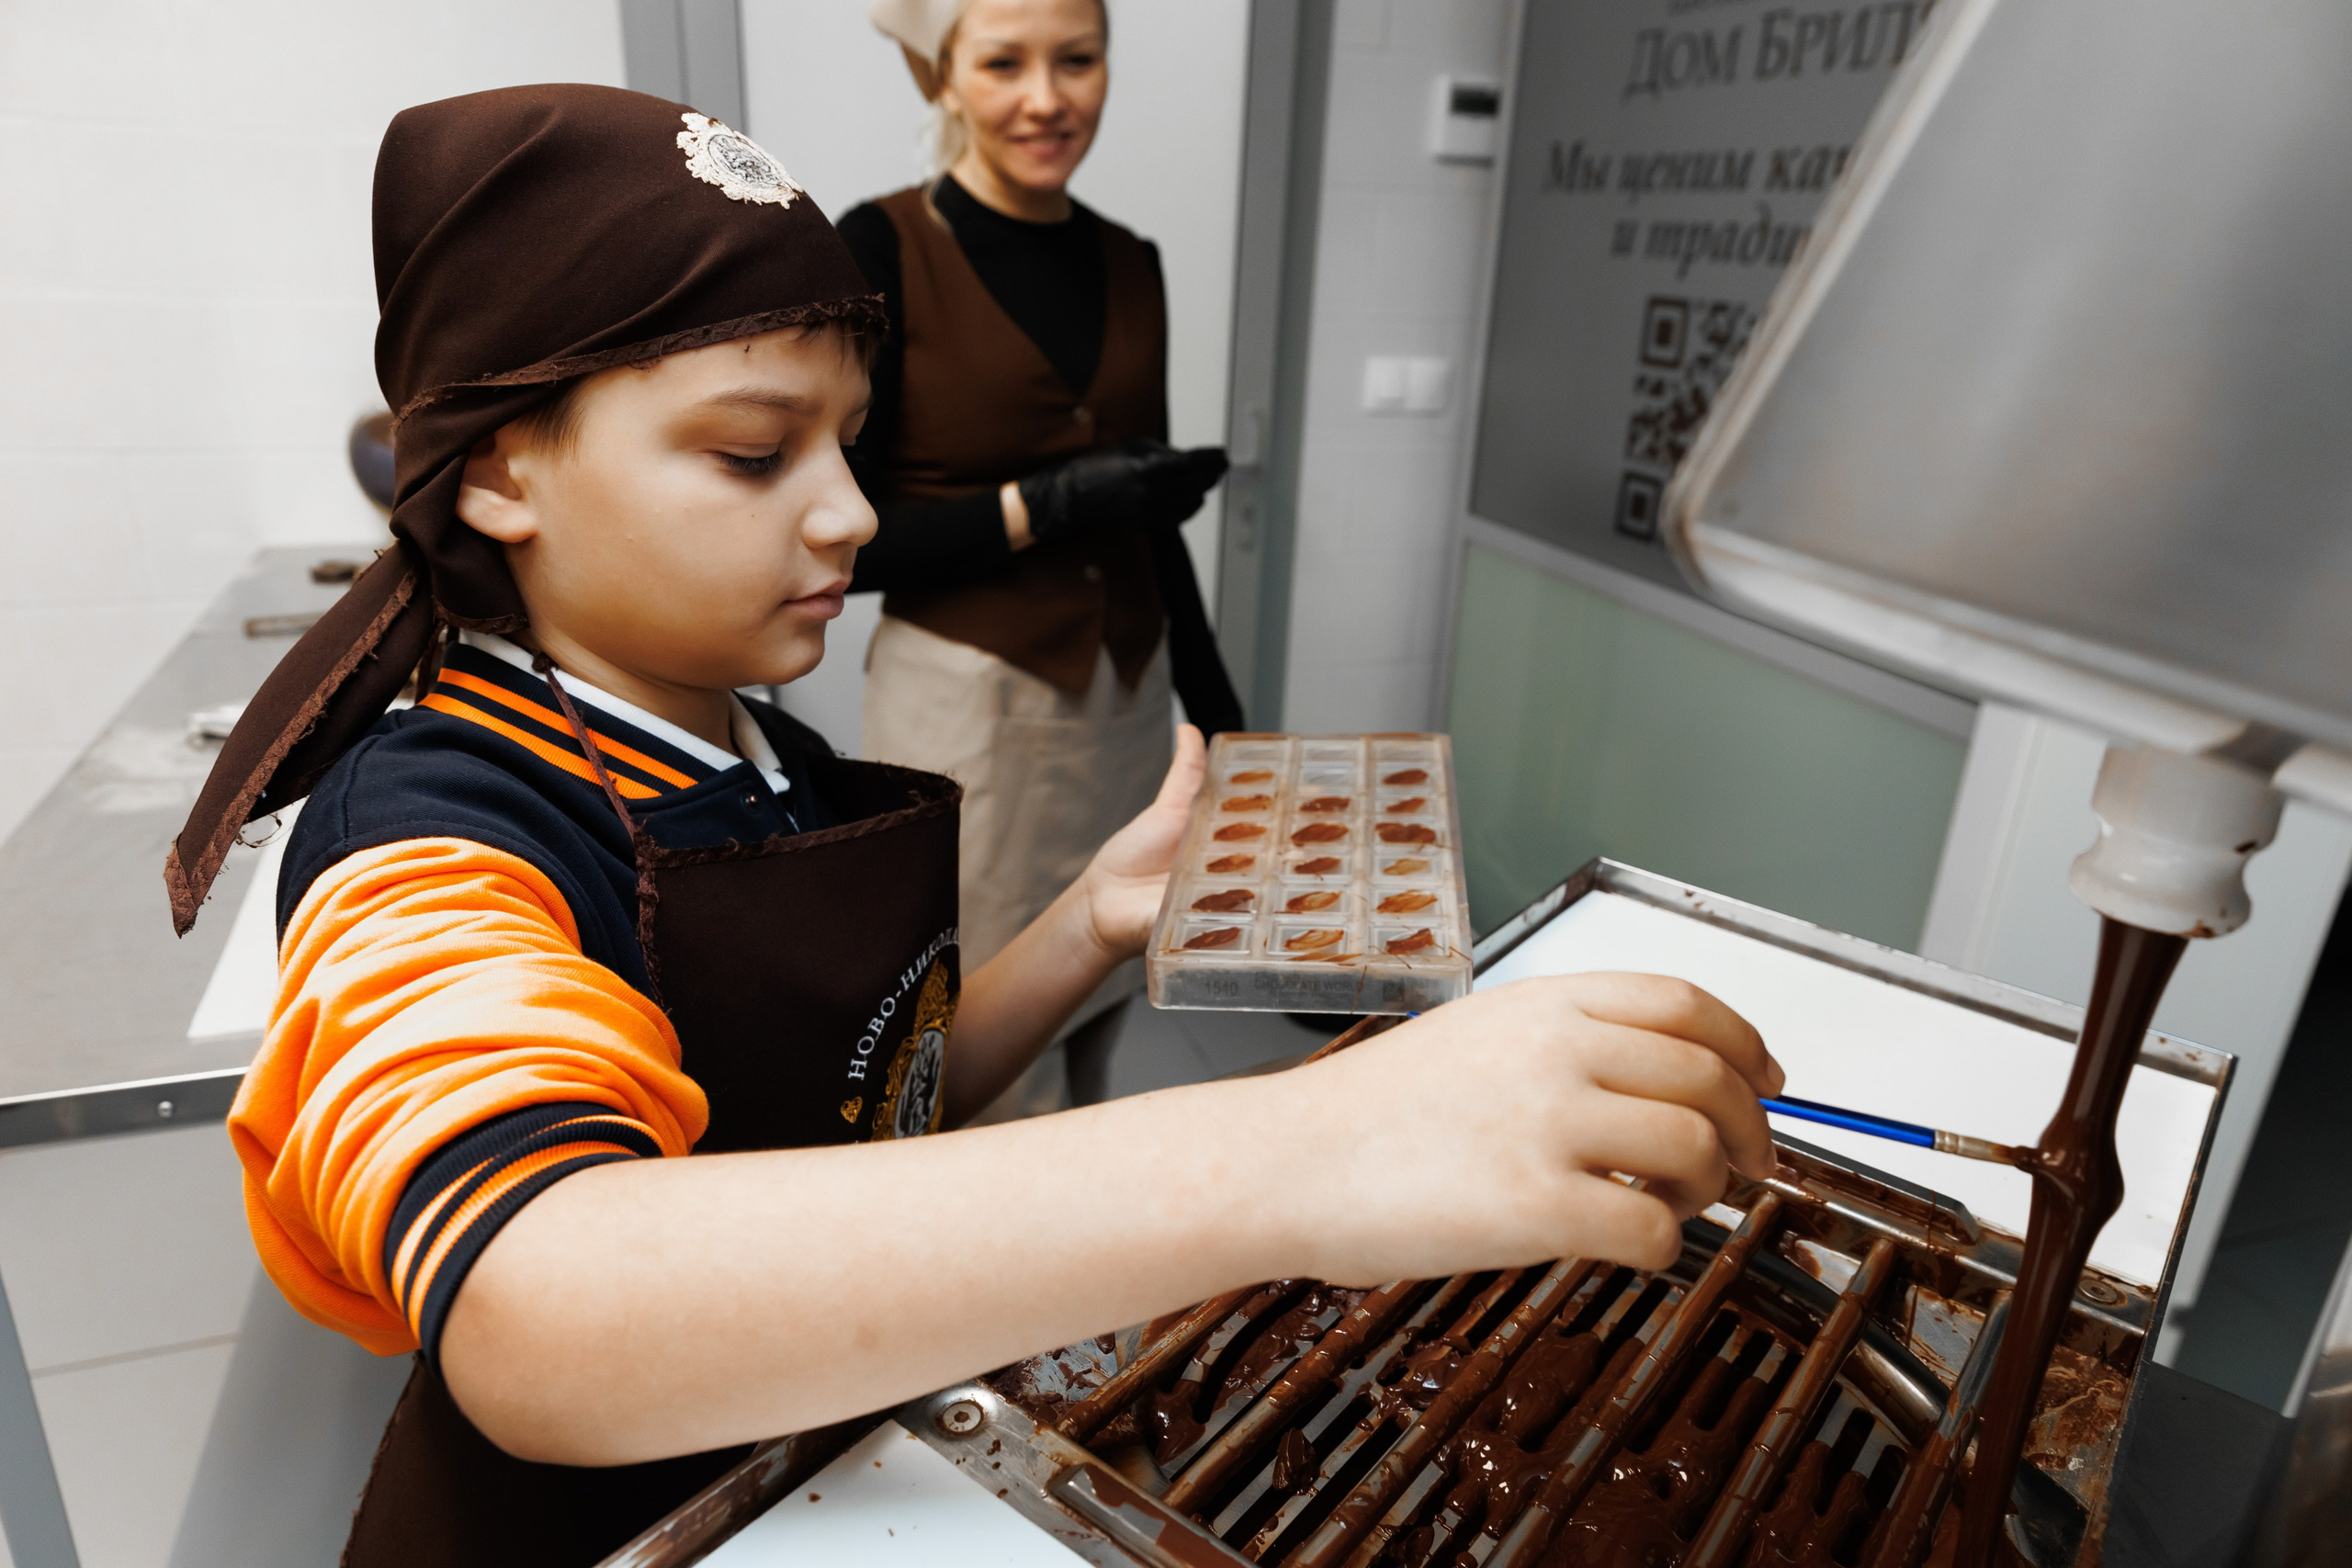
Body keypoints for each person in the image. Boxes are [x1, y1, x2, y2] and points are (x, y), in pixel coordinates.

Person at [165, 85, 1785, 1568]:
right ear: (501, 473)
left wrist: (1085, 922)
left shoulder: (756, 745)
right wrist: (1313, 1143)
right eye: (754, 451)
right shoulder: (434, 825)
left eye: (847, 442)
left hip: (834, 1470)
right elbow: (539, 1305)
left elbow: (878, 1112)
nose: (853, 512)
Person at [842, 0, 1241, 1111]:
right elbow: (851, 534)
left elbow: (1146, 519)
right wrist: (1044, 505)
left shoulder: (1131, 262)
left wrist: (1222, 716)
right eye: (1003, 63)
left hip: (1123, 707)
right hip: (968, 714)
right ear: (944, 76)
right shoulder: (881, 247)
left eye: (1077, 60)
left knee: (1104, 986)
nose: (1046, 99)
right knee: (978, 1018)